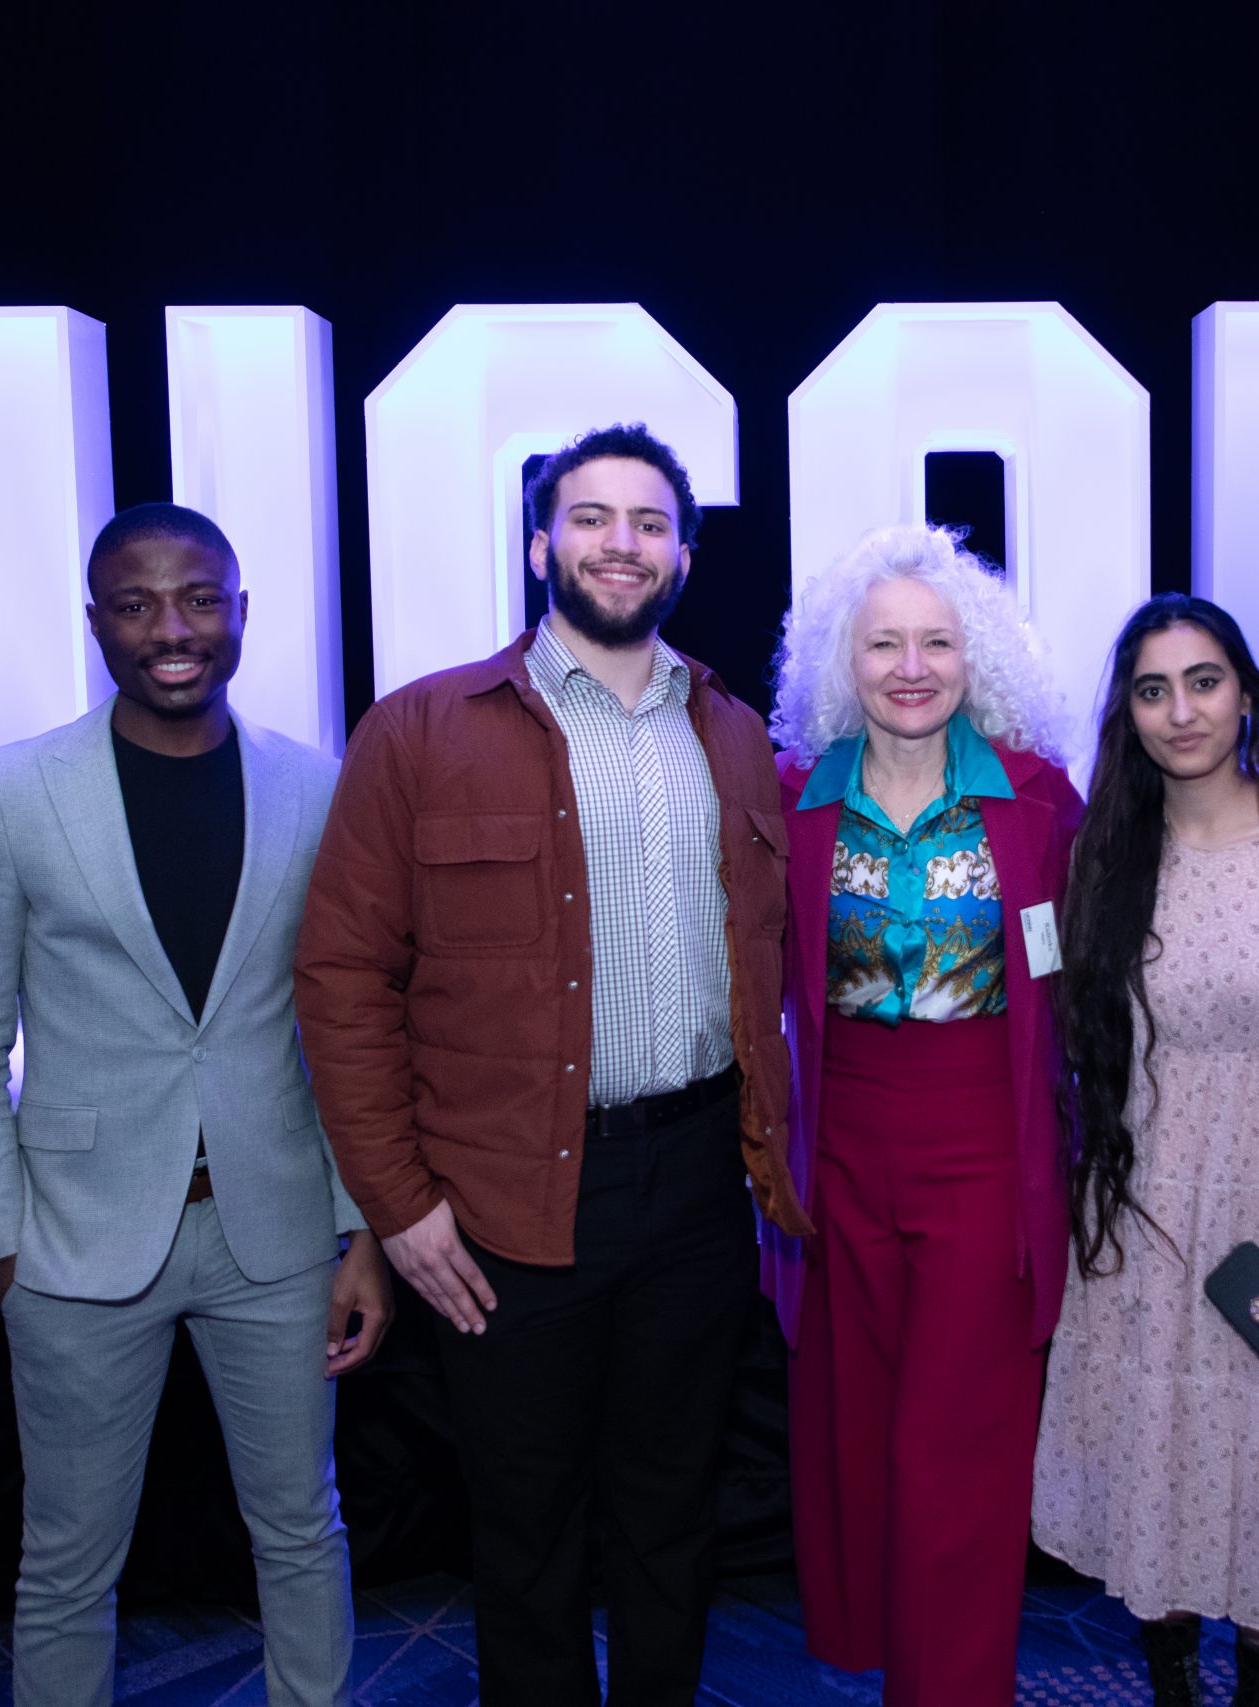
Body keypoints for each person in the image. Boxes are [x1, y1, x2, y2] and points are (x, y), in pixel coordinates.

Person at [293, 423, 805, 1707]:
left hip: (694, 1186)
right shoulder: (421, 730)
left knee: (671, 1524)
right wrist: (396, 1208)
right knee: (524, 1542)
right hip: (506, 1199)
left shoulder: (735, 735)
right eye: (590, 518)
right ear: (539, 543)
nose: (618, 544)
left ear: (681, 551)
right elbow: (343, 979)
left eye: (647, 522)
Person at [0, 501, 390, 1707]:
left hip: (276, 1233)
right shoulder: (10, 794)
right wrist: (1, 1246)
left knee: (301, 1529)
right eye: (135, 605)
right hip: (73, 1244)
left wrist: (360, 1231)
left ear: (241, 613)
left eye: (196, 600)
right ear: (96, 624)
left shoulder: (312, 785)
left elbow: (345, 1024)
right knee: (68, 1564)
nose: (168, 629)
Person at [1032, 593, 1259, 1707]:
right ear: (1127, 712)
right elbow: (1059, 1028)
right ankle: (1174, 1686)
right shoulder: (1100, 853)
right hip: (1138, 1216)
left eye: (1203, 682)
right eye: (1152, 689)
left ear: (1246, 694)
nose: (1180, 711)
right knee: (1159, 1451)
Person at [764, 523, 1082, 1706]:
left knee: (958, 1448)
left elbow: (1088, 979)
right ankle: (888, 1661)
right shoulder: (792, 800)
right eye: (882, 642)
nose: (910, 666)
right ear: (838, 663)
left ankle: (954, 1690)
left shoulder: (1038, 802)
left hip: (988, 1152)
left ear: (975, 655)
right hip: (837, 1151)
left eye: (936, 642)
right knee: (855, 1435)